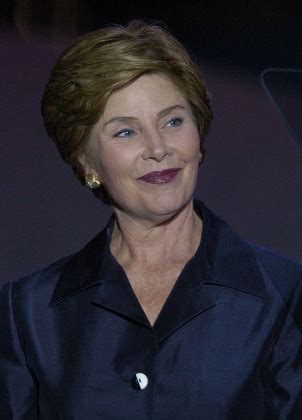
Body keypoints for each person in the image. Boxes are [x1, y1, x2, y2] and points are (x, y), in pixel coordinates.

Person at [0, 20, 301, 419]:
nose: (158, 148)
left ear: (199, 135)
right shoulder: (29, 314)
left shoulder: (285, 294)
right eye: (126, 132)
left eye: (173, 121)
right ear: (87, 160)